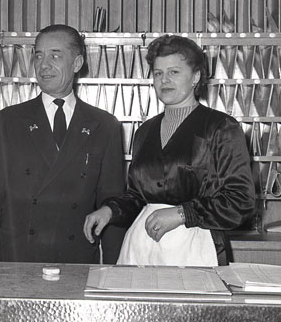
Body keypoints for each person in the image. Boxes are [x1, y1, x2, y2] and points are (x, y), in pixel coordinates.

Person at [83, 34, 255, 266]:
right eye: (158, 73)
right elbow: (137, 197)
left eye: (174, 72)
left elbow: (241, 201)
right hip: (141, 247)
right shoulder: (145, 131)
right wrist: (110, 210)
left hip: (197, 247)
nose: (164, 80)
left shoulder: (221, 127)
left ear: (195, 77)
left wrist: (182, 213)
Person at [0, 24, 125, 264]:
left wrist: (113, 270)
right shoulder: (6, 122)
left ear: (77, 63)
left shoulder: (105, 126)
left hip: (75, 259)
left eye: (55, 56)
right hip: (17, 259)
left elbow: (112, 202)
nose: (43, 65)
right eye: (38, 55)